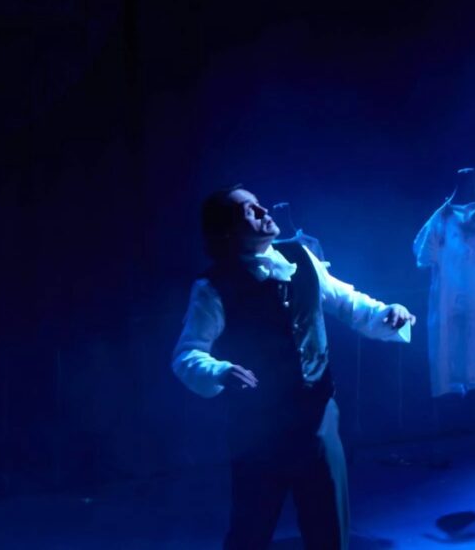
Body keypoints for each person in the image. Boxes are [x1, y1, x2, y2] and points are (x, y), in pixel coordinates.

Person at [172, 185, 416, 549]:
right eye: (249, 210)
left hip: (317, 418)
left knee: (329, 527)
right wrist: (219, 371)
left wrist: (387, 313)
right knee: (251, 529)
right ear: (228, 230)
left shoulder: (300, 256)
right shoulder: (213, 287)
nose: (263, 211)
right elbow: (187, 353)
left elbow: (347, 302)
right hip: (258, 429)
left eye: (258, 203)